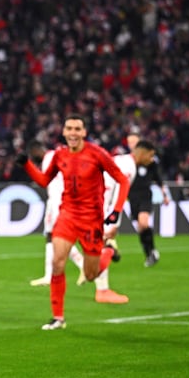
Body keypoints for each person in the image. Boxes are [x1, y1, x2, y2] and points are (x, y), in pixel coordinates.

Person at [17, 114, 130, 329]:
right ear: (64, 132)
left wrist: (116, 211)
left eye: (77, 129)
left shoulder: (97, 154)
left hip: (91, 220)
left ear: (84, 132)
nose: (73, 133)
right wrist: (27, 165)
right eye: (69, 128)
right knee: (57, 262)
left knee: (90, 275)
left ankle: (108, 251)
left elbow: (122, 180)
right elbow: (44, 180)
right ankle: (58, 318)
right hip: (68, 214)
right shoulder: (60, 155)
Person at [98, 140, 163, 302]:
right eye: (151, 155)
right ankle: (101, 289)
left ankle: (98, 283)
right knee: (102, 245)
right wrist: (114, 222)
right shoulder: (129, 167)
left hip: (94, 201)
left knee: (97, 245)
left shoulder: (121, 160)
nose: (151, 159)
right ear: (142, 153)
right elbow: (116, 194)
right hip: (100, 206)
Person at [26, 140, 87, 288]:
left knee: (56, 237)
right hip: (55, 200)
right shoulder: (58, 155)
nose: (33, 159)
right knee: (49, 234)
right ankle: (48, 276)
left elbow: (46, 180)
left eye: (32, 155)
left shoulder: (48, 159)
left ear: (36, 151)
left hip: (58, 202)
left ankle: (82, 263)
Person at [124, 132, 170, 267]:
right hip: (132, 197)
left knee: (143, 223)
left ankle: (152, 251)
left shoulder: (150, 162)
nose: (131, 144)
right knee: (140, 227)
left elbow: (159, 179)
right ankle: (149, 253)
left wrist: (164, 195)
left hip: (145, 195)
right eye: (129, 142)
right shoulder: (127, 162)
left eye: (134, 142)